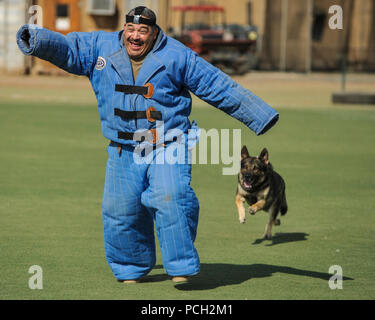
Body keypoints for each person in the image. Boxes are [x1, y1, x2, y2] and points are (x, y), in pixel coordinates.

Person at [17, 6, 279, 284]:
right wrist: (36, 39)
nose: (135, 36)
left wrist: (259, 115)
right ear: (124, 30)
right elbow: (68, 48)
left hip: (168, 143)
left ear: (154, 33)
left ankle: (179, 267)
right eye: (131, 29)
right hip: (123, 148)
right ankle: (131, 267)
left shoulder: (178, 55)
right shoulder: (100, 47)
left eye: (143, 31)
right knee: (120, 209)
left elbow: (217, 85)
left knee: (172, 197)